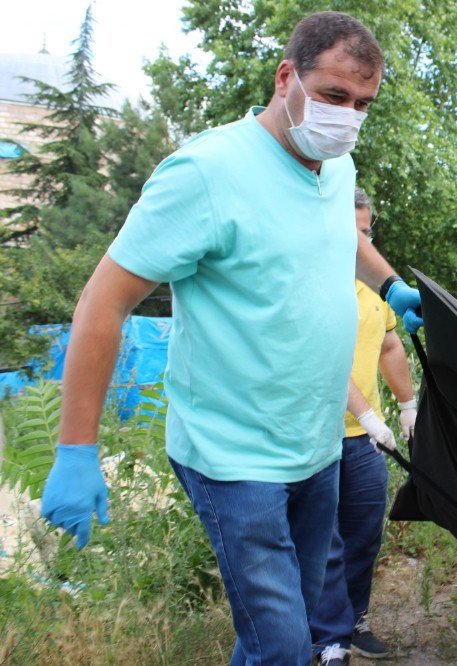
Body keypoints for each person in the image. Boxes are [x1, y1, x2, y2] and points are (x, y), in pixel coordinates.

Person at [38, 12, 424, 666]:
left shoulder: (334, 162)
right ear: (285, 78)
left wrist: (388, 286)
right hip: (233, 456)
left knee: (284, 637)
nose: (347, 117)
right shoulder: (206, 173)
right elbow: (104, 301)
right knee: (282, 649)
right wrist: (76, 447)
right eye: (334, 96)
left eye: (363, 104)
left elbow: (343, 235)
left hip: (315, 443)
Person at [309, 188, 417, 665]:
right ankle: (322, 635)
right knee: (321, 541)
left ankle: (353, 621)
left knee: (362, 534)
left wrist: (407, 404)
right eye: (350, 229)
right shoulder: (311, 285)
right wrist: (369, 416)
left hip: (364, 444)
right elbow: (320, 364)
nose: (359, 239)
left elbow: (390, 345)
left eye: (365, 230)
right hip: (317, 438)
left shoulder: (374, 291)